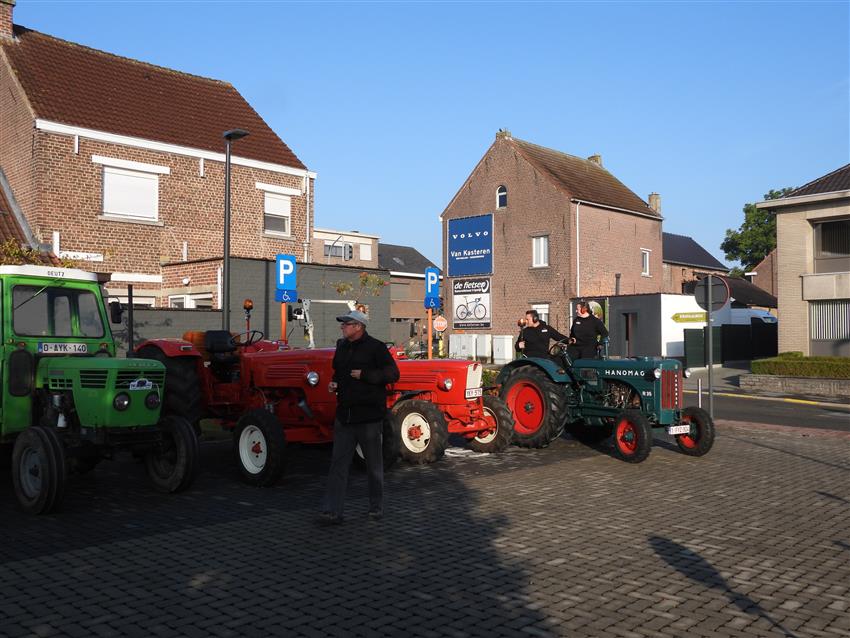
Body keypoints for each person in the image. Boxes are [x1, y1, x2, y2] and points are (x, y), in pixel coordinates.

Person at [318, 310, 400, 526]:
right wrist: (334, 383)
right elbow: (338, 372)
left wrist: (366, 375)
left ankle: (376, 507)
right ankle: (332, 511)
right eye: (343, 324)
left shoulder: (376, 348)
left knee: (373, 466)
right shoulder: (341, 346)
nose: (342, 327)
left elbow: (393, 374)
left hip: (369, 417)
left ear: (358, 327)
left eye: (346, 324)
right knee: (338, 465)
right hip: (345, 416)